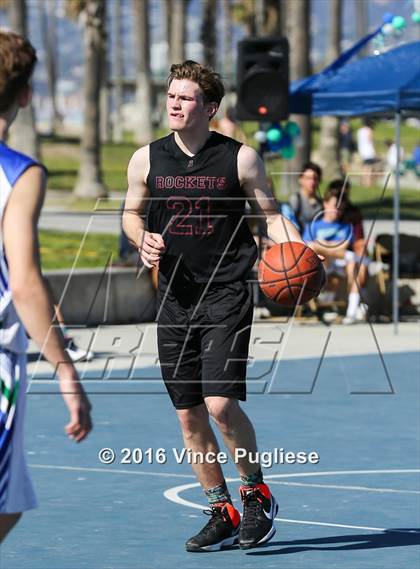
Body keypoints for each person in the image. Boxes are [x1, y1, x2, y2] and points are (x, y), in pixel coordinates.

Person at [122, 60, 306, 552]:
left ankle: (255, 494)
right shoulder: (146, 159)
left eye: (185, 98)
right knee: (189, 416)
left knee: (221, 404)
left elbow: (270, 217)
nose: (174, 104)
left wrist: (295, 252)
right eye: (171, 96)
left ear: (209, 108)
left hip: (226, 293)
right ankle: (219, 508)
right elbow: (130, 213)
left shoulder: (240, 159)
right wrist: (141, 238)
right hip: (175, 299)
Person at [0, 31, 92, 542]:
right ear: (26, 94)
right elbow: (26, 283)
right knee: (4, 503)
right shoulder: (18, 173)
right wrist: (66, 372)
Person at [303, 185, 368, 324]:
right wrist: (332, 247)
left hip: (341, 264)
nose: (337, 211)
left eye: (340, 208)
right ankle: (328, 307)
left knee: (353, 265)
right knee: (322, 256)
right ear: (325, 203)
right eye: (334, 206)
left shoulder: (346, 227)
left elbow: (343, 248)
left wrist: (321, 244)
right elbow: (307, 247)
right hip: (323, 264)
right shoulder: (313, 225)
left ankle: (351, 312)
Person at [289, 161, 323, 232]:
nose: (312, 182)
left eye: (315, 178)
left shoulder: (322, 204)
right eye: (308, 178)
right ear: (300, 179)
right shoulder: (296, 200)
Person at [356, 119, 378, 186]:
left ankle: (363, 181)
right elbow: (370, 140)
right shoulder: (369, 130)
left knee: (364, 167)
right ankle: (368, 182)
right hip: (369, 152)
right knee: (369, 167)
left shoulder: (359, 131)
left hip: (362, 151)